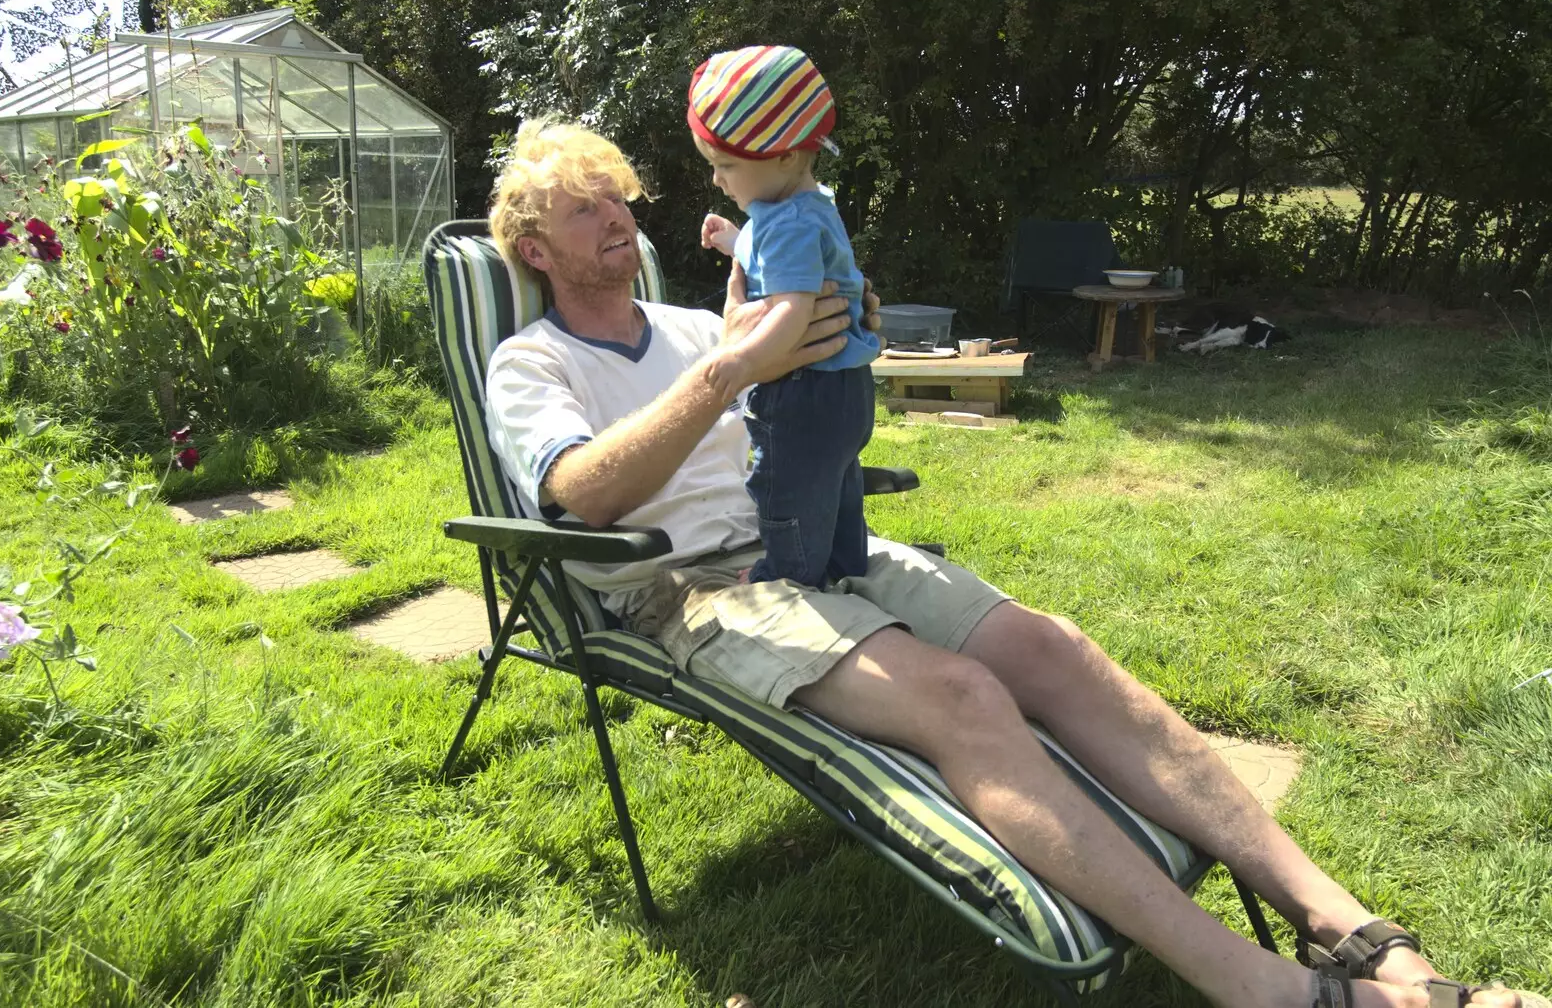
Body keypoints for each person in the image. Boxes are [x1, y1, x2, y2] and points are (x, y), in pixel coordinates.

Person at [481, 118, 1544, 1008]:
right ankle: (1268, 989)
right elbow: (581, 493)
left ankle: (1345, 921)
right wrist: (725, 371)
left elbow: (794, 382)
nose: (617, 216)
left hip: (801, 529)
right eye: (584, 209)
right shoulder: (530, 363)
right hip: (696, 589)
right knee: (961, 695)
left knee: (1051, 646)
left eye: (616, 197)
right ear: (536, 249)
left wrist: (840, 331)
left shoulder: (686, 318)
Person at [687, 44, 880, 587]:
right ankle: (843, 568)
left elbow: (793, 310)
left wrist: (743, 360)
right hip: (846, 389)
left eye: (726, 165)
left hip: (803, 390)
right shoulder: (805, 208)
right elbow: (783, 265)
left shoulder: (786, 224)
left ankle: (786, 576)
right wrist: (734, 240)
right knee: (835, 487)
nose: (718, 181)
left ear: (784, 156)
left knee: (786, 486)